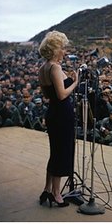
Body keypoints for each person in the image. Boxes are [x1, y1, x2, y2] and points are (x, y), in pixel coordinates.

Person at [38, 31, 78, 207]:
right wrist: (75, 82)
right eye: (62, 47)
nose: (64, 51)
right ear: (55, 49)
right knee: (62, 153)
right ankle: (56, 193)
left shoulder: (42, 68)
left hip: (53, 113)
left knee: (55, 152)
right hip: (62, 114)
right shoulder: (55, 67)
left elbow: (48, 96)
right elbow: (62, 95)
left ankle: (47, 190)